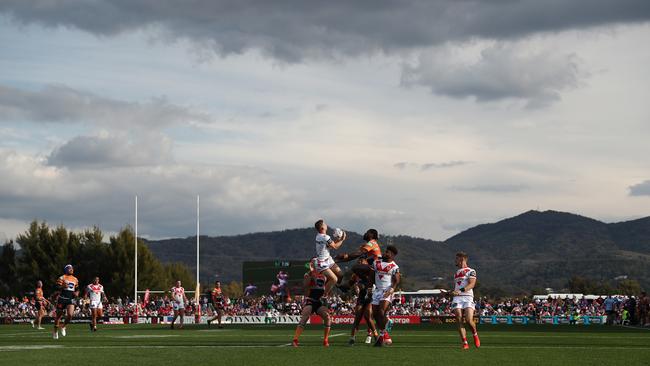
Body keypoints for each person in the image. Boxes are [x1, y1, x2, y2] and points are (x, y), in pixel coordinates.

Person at [292, 259, 331, 347]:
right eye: (313, 263)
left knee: (328, 317)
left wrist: (327, 295)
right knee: (305, 317)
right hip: (311, 299)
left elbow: (328, 286)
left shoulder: (325, 275)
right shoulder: (308, 274)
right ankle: (295, 340)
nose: (316, 264)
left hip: (320, 301)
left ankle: (325, 340)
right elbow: (305, 285)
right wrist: (310, 273)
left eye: (317, 262)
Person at [371, 245, 400, 347]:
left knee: (381, 310)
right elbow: (370, 274)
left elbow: (397, 280)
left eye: (387, 252)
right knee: (375, 314)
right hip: (377, 291)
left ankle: (384, 330)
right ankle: (384, 333)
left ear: (391, 255)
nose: (384, 253)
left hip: (387, 291)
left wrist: (392, 290)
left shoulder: (394, 266)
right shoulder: (376, 262)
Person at [450, 252, 480, 349]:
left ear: (462, 259)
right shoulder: (456, 273)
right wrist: (448, 293)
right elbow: (456, 288)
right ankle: (465, 342)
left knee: (468, 320)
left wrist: (460, 291)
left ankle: (475, 334)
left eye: (456, 258)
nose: (455, 260)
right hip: (457, 298)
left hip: (467, 296)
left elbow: (472, 284)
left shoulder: (471, 271)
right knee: (458, 318)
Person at [347, 257, 379, 346]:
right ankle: (352, 338)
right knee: (357, 317)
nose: (360, 262)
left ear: (366, 263)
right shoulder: (355, 274)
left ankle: (375, 336)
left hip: (370, 297)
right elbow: (350, 283)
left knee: (368, 316)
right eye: (359, 261)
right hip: (361, 298)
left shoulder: (371, 272)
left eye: (362, 261)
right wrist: (347, 286)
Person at [314, 219, 346, 296]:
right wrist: (342, 239)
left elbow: (329, 246)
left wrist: (338, 240)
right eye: (324, 224)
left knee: (340, 274)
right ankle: (324, 295)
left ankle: (335, 285)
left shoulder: (319, 236)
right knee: (334, 278)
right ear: (322, 228)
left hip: (328, 259)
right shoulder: (325, 237)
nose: (326, 225)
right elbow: (335, 247)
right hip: (321, 263)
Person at [52, 264, 79, 340]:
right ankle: (55, 331)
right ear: (66, 269)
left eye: (72, 268)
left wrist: (77, 293)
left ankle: (63, 326)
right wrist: (62, 287)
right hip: (62, 299)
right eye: (70, 268)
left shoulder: (75, 279)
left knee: (70, 315)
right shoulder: (62, 277)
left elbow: (77, 289)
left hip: (70, 299)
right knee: (58, 317)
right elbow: (56, 287)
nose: (72, 270)